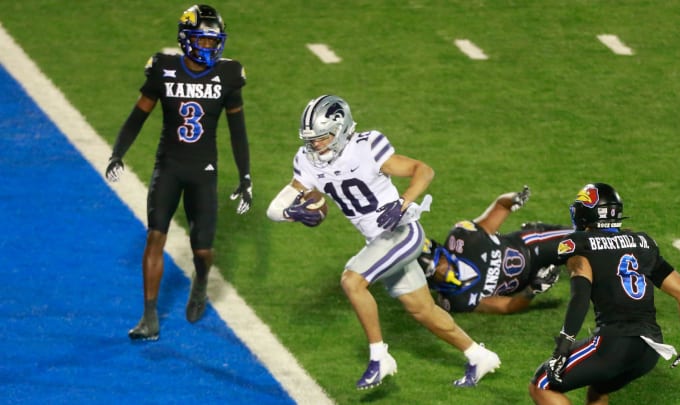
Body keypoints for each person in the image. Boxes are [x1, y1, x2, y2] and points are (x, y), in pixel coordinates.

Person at [267, 95, 501, 389]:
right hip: (377, 241)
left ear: (341, 129)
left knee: (352, 281)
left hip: (401, 233)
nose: (315, 145)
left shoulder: (367, 146)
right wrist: (295, 212)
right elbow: (284, 203)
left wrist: (402, 203)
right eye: (311, 139)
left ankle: (380, 357)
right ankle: (478, 355)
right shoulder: (307, 161)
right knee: (422, 310)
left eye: (323, 137)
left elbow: (423, 170)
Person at [105, 4, 253, 341]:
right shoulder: (163, 69)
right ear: (186, 39)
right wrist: (118, 153)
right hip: (168, 166)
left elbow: (238, 132)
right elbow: (138, 115)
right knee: (155, 235)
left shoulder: (228, 76)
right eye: (203, 41)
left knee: (202, 249)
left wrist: (245, 176)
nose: (210, 47)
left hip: (204, 171)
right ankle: (148, 318)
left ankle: (201, 280)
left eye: (213, 42)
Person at [529, 183, 680, 405]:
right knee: (598, 389)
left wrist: (563, 347)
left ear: (586, 213)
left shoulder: (581, 245)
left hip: (614, 344)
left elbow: (580, 297)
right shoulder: (642, 243)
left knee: (541, 384)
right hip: (649, 351)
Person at [418, 187, 574, 314]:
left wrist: (513, 198)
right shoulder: (457, 300)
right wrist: (532, 290)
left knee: (586, 241)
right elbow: (506, 306)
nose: (440, 272)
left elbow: (501, 206)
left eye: (438, 264)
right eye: (433, 274)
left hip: (531, 247)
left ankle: (541, 229)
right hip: (527, 279)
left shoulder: (465, 239)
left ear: (441, 252)